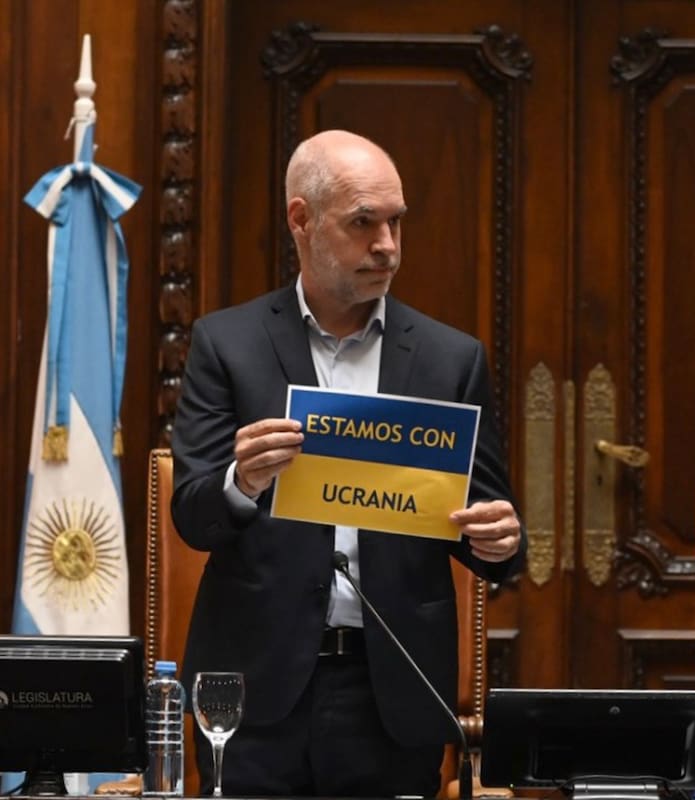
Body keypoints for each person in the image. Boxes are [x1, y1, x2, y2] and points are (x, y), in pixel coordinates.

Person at [171, 129, 525, 798]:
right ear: (300, 220)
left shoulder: (451, 360)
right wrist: (242, 480)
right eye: (363, 222)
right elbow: (193, 517)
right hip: (258, 689)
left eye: (396, 222)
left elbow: (493, 533)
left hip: (390, 691)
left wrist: (502, 539)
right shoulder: (227, 345)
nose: (387, 245)